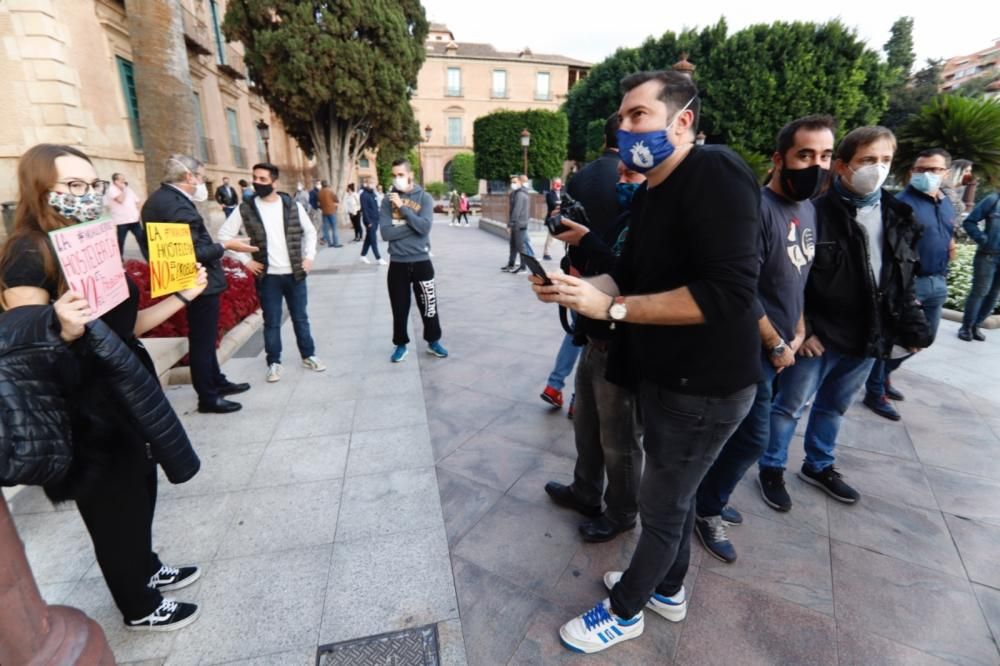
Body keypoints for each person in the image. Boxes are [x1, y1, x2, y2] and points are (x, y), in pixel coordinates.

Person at [534, 71, 760, 655]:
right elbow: (626, 277)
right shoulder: (656, 191)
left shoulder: (715, 171)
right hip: (668, 377)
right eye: (624, 116)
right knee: (672, 498)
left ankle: (626, 609)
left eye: (638, 115)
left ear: (681, 120)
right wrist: (576, 289)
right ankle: (668, 588)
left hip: (708, 386)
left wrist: (613, 306)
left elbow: (729, 292)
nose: (624, 125)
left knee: (662, 506)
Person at [0, 143, 209, 631]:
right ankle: (137, 604)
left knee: (141, 483)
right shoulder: (29, 251)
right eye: (73, 186)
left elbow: (125, 328)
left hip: (124, 387)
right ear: (39, 190)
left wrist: (183, 294)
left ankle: (147, 567)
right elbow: (21, 341)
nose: (87, 194)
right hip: (83, 403)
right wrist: (58, 326)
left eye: (92, 185)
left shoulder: (90, 240)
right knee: (113, 502)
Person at [757, 126, 930, 512]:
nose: (878, 168)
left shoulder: (898, 214)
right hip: (821, 337)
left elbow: (901, 275)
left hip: (869, 334)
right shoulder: (815, 211)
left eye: (885, 160)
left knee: (835, 406)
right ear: (842, 166)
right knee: (790, 406)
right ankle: (772, 467)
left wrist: (908, 324)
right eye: (868, 160)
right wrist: (809, 328)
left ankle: (819, 464)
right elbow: (795, 276)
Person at [693, 115, 834, 563]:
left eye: (826, 156)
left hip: (782, 346)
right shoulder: (755, 211)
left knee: (746, 435)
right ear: (779, 159)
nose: (817, 165)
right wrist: (775, 342)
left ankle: (707, 496)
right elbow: (741, 289)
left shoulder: (807, 208)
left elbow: (798, 276)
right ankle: (705, 507)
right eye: (805, 155)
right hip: (748, 346)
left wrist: (798, 329)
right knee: (753, 437)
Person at [543, 161, 646, 545]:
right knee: (586, 426)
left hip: (623, 347)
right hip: (594, 340)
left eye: (628, 176)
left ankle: (621, 513)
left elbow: (628, 278)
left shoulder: (653, 224)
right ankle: (585, 492)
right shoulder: (624, 218)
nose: (618, 182)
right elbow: (600, 268)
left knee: (619, 441)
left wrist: (588, 240)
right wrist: (576, 251)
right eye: (619, 174)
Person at [142, 154, 255, 413]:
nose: (203, 182)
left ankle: (216, 381)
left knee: (206, 336)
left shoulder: (163, 199)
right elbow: (190, 252)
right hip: (196, 280)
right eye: (202, 177)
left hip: (191, 278)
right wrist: (226, 245)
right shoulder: (175, 205)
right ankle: (208, 396)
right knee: (203, 341)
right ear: (189, 176)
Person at [864, 148, 956, 419]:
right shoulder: (903, 205)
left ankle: (884, 376)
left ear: (946, 173)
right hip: (911, 285)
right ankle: (875, 389)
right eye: (920, 169)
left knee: (925, 338)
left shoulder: (945, 201)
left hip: (938, 282)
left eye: (933, 170)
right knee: (898, 339)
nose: (926, 175)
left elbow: (947, 232)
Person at [538, 114, 621, 414]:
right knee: (596, 335)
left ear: (603, 139)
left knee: (579, 329)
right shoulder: (632, 179)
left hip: (578, 268)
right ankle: (576, 398)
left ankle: (557, 386)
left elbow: (561, 224)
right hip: (613, 274)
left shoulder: (581, 176)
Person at [218, 162, 325, 383]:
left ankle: (308, 355)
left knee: (301, 318)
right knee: (272, 321)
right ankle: (274, 362)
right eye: (255, 178)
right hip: (268, 277)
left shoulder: (291, 205)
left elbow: (310, 232)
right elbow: (224, 236)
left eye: (263, 179)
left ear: (274, 183)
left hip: (295, 274)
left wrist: (309, 257)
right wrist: (246, 261)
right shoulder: (245, 208)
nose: (257, 182)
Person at [380, 159, 448, 363]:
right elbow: (385, 233)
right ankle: (401, 345)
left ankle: (433, 341)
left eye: (400, 175)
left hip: (421, 262)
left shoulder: (424, 198)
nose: (396, 179)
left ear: (410, 175)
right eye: (394, 175)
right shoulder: (386, 200)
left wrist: (403, 209)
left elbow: (425, 229)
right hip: (398, 263)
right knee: (399, 308)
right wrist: (415, 225)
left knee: (429, 306)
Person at [959, 189, 1000, 342]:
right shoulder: (993, 200)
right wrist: (983, 239)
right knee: (980, 292)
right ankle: (966, 327)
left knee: (994, 294)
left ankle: (977, 325)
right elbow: (969, 222)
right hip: (988, 255)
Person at [106, 172, 147, 260]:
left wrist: (138, 213)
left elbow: (137, 202)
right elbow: (120, 199)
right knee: (120, 242)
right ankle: (119, 260)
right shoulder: (111, 190)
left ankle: (149, 259)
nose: (124, 181)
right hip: (122, 222)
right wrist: (123, 189)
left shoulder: (128, 189)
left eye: (124, 179)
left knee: (142, 241)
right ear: (116, 181)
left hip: (134, 221)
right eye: (122, 179)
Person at [501, 175, 532, 273]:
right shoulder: (518, 193)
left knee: (520, 246)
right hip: (518, 224)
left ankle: (523, 267)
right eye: (512, 182)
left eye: (515, 182)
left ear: (519, 182)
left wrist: (510, 224)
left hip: (519, 224)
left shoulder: (520, 194)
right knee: (513, 245)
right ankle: (511, 264)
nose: (512, 184)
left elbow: (516, 211)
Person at [359, 177, 385, 265]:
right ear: (366, 183)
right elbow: (364, 209)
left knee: (368, 239)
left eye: (374, 182)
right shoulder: (364, 195)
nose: (373, 184)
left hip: (375, 219)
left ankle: (363, 255)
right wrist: (368, 222)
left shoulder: (373, 193)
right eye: (371, 182)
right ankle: (378, 258)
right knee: (373, 239)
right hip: (370, 221)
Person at [542, 177, 563, 260]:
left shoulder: (563, 193)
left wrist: (560, 205)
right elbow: (553, 204)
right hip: (553, 219)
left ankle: (568, 253)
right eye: (556, 183)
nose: (558, 185)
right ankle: (546, 253)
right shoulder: (549, 194)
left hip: (562, 218)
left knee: (565, 237)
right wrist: (560, 204)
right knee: (551, 236)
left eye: (559, 183)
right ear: (553, 184)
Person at [318, 180, 342, 248]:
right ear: (327, 184)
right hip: (332, 211)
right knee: (334, 227)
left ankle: (329, 243)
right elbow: (336, 199)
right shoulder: (330, 191)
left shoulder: (319, 193)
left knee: (326, 229)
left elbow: (319, 203)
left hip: (324, 212)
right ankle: (336, 243)